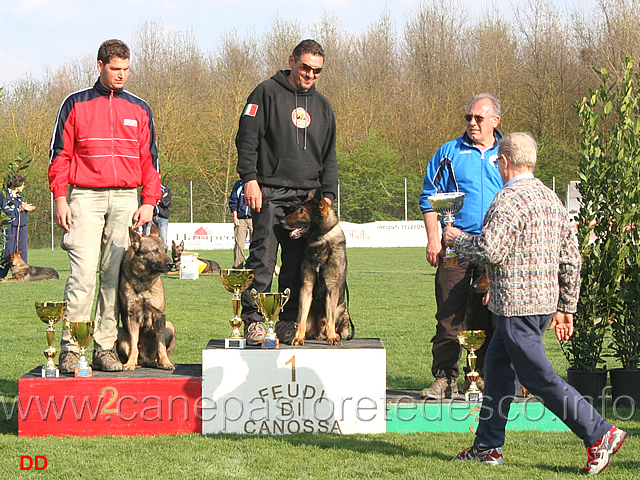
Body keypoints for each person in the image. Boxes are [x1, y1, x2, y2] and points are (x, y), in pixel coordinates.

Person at [445, 132, 626, 475]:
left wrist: (457, 238)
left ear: (506, 161)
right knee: (498, 372)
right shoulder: (551, 199)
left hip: (517, 308)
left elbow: (490, 251)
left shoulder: (507, 199)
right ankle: (486, 446)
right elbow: (571, 258)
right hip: (541, 304)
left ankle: (600, 433)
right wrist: (567, 306)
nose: (497, 166)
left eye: (498, 161)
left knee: (538, 377)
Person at [49, 39, 161, 373]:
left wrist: (149, 201)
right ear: (100, 66)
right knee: (82, 276)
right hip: (84, 195)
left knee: (114, 278)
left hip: (127, 199)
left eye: (126, 69)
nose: (122, 75)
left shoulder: (139, 108)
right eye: (115, 69)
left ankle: (106, 347)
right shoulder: (75, 104)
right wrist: (59, 197)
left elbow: (150, 161)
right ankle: (73, 348)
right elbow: (60, 155)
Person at [236, 39, 338, 345]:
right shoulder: (266, 92)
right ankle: (254, 321)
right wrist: (250, 180)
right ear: (292, 60)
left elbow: (330, 155)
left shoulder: (323, 107)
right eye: (305, 67)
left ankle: (288, 320)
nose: (309, 75)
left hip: (307, 199)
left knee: (299, 266)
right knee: (262, 260)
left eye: (316, 71)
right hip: (268, 190)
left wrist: (328, 194)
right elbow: (247, 139)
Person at [418, 93, 504, 399]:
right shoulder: (449, 152)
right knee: (449, 314)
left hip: (494, 248)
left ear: (495, 120)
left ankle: (483, 376)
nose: (472, 123)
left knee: (493, 316)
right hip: (455, 246)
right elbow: (429, 197)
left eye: (479, 118)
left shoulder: (506, 154)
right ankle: (445, 377)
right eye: (468, 117)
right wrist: (433, 238)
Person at [0, 176, 36, 278]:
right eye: (22, 184)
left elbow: (20, 211)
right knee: (8, 252)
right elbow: (7, 212)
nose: (24, 186)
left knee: (22, 250)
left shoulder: (19, 197)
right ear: (16, 184)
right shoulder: (5, 196)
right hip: (10, 228)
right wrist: (19, 208)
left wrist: (25, 209)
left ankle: (23, 274)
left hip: (21, 227)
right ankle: (1, 274)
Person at [229, 179, 252, 268]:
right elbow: (233, 200)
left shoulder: (257, 183)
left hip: (254, 218)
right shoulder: (239, 185)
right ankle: (237, 266)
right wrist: (235, 216)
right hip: (240, 218)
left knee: (256, 244)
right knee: (239, 244)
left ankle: (253, 266)